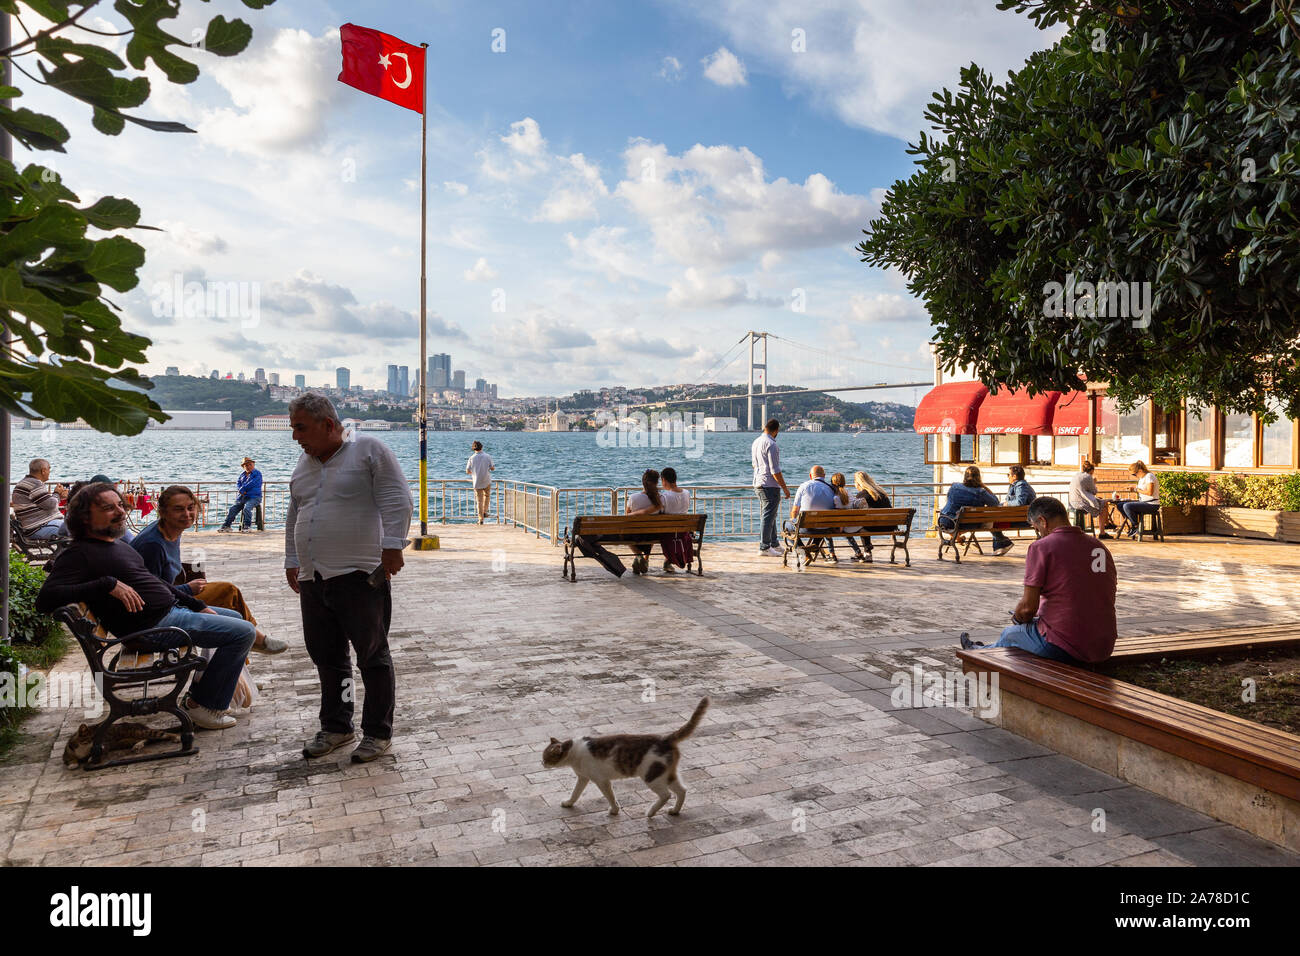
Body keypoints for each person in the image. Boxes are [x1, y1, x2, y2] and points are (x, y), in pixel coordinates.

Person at [34, 483, 256, 730]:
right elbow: (45, 599)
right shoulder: (79, 553)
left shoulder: (113, 544)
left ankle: (201, 694)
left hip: (169, 613)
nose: (120, 511)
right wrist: (106, 584)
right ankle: (204, 706)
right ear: (84, 516)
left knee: (237, 618)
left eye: (120, 505)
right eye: (108, 508)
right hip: (151, 628)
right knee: (242, 633)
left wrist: (196, 604)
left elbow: (155, 583)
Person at [284, 393, 412, 763]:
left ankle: (377, 732)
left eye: (300, 428)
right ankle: (338, 727)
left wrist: (392, 545)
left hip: (359, 574)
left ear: (328, 425)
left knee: (372, 656)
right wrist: (292, 558)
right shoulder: (304, 463)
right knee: (328, 657)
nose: (295, 437)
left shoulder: (368, 449)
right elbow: (296, 510)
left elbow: (397, 498)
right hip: (314, 578)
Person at [960, 496, 1117, 664]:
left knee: (1010, 633)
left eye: (1036, 528)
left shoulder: (1042, 547)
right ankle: (986, 648)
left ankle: (977, 653)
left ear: (1042, 521)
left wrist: (1019, 618)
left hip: (1065, 645)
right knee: (1024, 632)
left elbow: (1028, 608)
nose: (1039, 534)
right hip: (1103, 644)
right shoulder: (1098, 546)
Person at [132, 485, 286, 655]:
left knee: (233, 608)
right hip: (160, 612)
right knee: (228, 593)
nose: (187, 514)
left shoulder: (170, 530)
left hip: (171, 596)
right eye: (178, 509)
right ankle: (254, 639)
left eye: (191, 508)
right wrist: (187, 589)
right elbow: (149, 593)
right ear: (163, 512)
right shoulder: (152, 545)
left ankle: (250, 640)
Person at [937, 466, 1007, 555]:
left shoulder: (954, 487)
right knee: (989, 517)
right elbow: (995, 503)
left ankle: (958, 538)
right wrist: (983, 486)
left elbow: (949, 499)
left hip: (945, 521)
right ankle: (1002, 541)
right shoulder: (981, 492)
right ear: (979, 477)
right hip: (969, 524)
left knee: (958, 518)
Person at [751, 419, 791, 557]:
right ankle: (764, 547)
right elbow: (775, 470)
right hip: (769, 485)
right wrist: (785, 488)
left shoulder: (756, 442)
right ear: (776, 430)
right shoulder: (772, 444)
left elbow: (754, 465)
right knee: (768, 516)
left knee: (770, 514)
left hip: (758, 482)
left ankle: (774, 544)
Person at [784, 466, 838, 564]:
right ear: (824, 476)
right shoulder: (832, 489)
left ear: (810, 476)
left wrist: (793, 520)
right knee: (821, 526)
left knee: (787, 528)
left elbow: (795, 511)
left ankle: (803, 553)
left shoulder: (804, 486)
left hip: (807, 527)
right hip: (825, 526)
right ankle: (814, 546)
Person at [11, 458, 68, 539]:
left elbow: (43, 502)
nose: (49, 472)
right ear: (43, 471)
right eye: (49, 469)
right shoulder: (35, 484)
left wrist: (59, 496)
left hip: (34, 526)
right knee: (79, 529)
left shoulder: (24, 483)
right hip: (38, 528)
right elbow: (51, 505)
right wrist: (57, 493)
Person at [843, 470, 892, 562]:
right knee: (866, 522)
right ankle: (867, 550)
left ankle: (867, 552)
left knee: (862, 524)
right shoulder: (881, 492)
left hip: (875, 527)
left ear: (858, 483)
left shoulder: (862, 495)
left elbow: (855, 512)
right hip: (890, 526)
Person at [988, 464, 1037, 555]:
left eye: (1008, 475)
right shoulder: (1016, 485)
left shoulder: (1021, 485)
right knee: (992, 520)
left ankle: (1003, 545)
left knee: (991, 522)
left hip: (1022, 520)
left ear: (1014, 476)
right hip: (1018, 517)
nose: (1008, 477)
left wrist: (1006, 504)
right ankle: (1002, 545)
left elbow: (1019, 502)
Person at [626, 469, 663, 575]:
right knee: (652, 528)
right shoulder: (660, 498)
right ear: (657, 483)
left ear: (643, 482)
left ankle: (638, 555)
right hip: (653, 535)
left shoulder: (634, 497)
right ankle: (646, 559)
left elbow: (627, 516)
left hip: (634, 535)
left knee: (625, 532)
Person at [658, 467, 692, 573]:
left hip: (668, 533)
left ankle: (645, 559)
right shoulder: (687, 493)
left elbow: (660, 513)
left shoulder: (664, 497)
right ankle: (667, 562)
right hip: (683, 532)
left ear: (664, 480)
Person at [1068, 460, 1112, 539]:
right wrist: (1094, 482)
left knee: (1102, 502)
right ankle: (1102, 531)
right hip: (1081, 504)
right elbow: (1094, 491)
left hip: (1072, 502)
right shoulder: (1088, 477)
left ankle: (1107, 524)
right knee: (1104, 506)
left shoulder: (1076, 475)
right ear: (1091, 471)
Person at [1117, 460, 1161, 539]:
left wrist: (1136, 490)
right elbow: (1141, 491)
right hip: (1144, 502)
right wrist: (1134, 489)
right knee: (1120, 505)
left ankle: (1135, 526)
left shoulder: (1149, 476)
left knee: (1127, 506)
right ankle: (1133, 523)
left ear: (1140, 470)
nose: (1135, 476)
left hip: (1152, 504)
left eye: (1134, 474)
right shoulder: (1141, 478)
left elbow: (1149, 492)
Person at [218, 456, 262, 533]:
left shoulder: (257, 474)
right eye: (246, 465)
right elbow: (238, 483)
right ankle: (226, 526)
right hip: (242, 497)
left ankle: (247, 526)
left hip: (254, 497)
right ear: (243, 467)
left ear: (253, 465)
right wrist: (240, 489)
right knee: (232, 509)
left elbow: (252, 483)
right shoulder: (242, 475)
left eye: (249, 464)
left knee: (247, 508)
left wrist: (243, 489)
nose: (248, 467)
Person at [465, 440, 495, 524]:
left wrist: (474, 473)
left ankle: (480, 519)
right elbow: (492, 468)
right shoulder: (487, 456)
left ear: (473, 448)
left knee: (479, 501)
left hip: (476, 481)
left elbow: (467, 470)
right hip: (486, 480)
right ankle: (485, 511)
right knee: (487, 496)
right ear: (481, 447)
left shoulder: (472, 458)